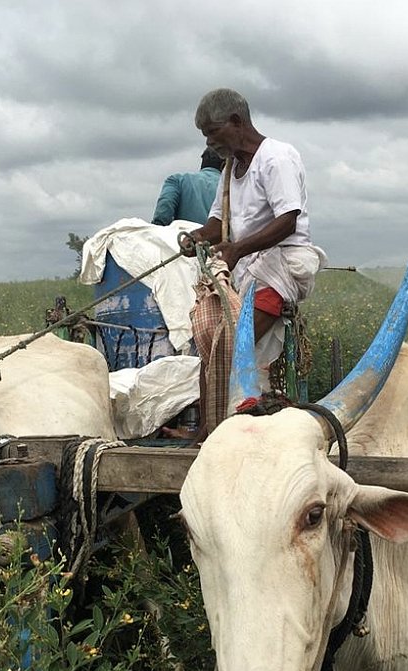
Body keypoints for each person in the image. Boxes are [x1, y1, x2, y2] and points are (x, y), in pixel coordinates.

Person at [169, 87, 325, 441]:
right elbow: (216, 225)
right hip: (247, 273)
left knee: (232, 344)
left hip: (280, 270)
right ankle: (211, 428)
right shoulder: (228, 171)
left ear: (237, 122)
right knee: (210, 342)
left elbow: (287, 219)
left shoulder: (277, 158)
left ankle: (229, 431)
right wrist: (195, 239)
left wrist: (237, 250)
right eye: (205, 135)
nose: (209, 142)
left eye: (213, 132)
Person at [150, 149, 225, 226]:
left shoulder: (177, 180)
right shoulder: (228, 188)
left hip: (184, 236)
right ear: (224, 165)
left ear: (203, 161)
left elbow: (164, 209)